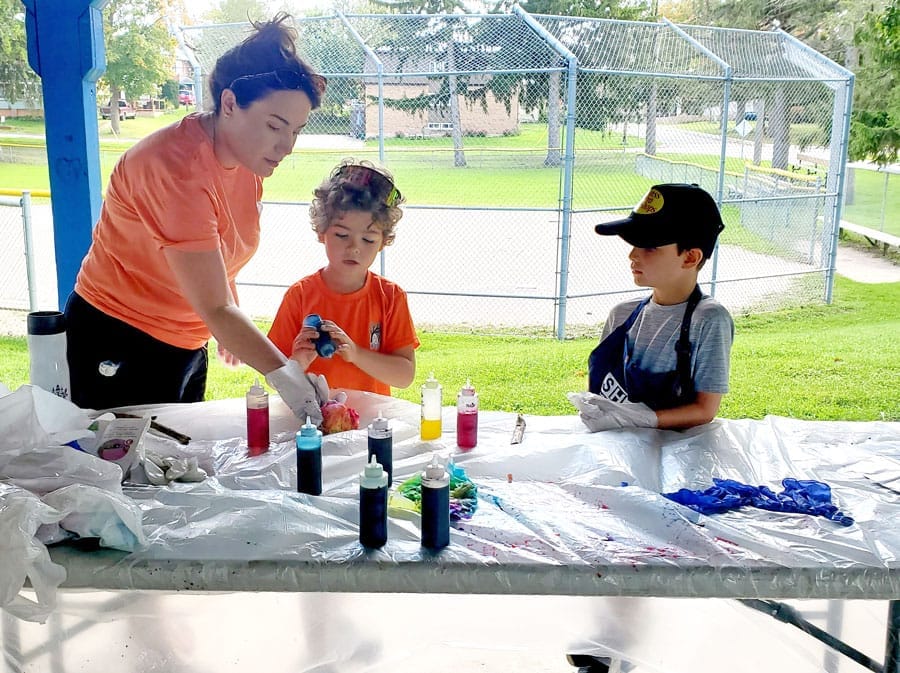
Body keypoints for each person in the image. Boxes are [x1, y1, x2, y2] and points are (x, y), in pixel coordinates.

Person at [64, 14, 329, 424]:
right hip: (118, 335)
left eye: (296, 130)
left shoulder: (245, 160)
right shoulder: (177, 168)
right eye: (275, 125)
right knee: (121, 472)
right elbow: (215, 305)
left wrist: (230, 322)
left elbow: (218, 254)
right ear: (228, 104)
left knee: (173, 466)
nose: (286, 146)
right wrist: (284, 373)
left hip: (188, 337)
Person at [571, 183, 734, 431]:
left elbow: (705, 409)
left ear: (690, 257)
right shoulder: (621, 315)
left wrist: (642, 418)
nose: (632, 255)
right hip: (617, 446)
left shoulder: (709, 319)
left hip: (677, 452)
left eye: (649, 247)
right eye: (634, 244)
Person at [267, 160, 419, 396]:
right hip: (313, 423)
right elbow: (274, 378)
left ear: (383, 242)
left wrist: (356, 354)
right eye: (341, 235)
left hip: (371, 426)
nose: (354, 248)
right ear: (321, 232)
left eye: (368, 239)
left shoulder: (390, 297)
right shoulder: (300, 296)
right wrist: (298, 362)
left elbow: (405, 375)